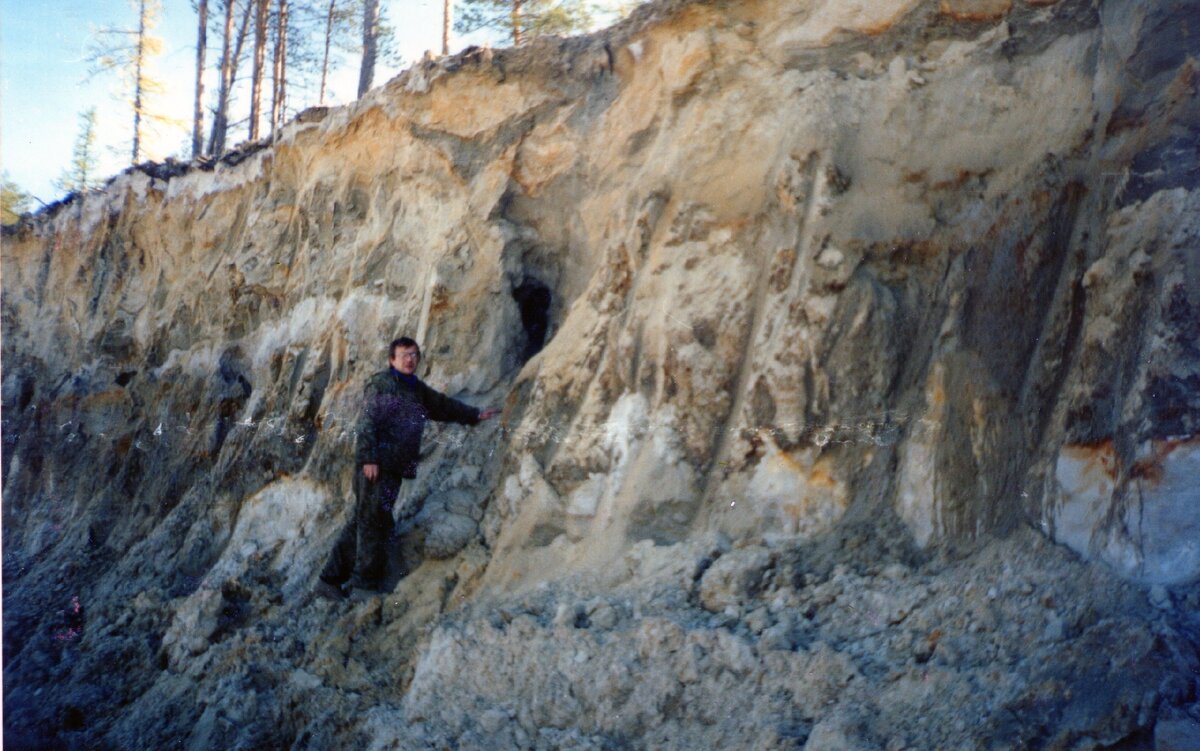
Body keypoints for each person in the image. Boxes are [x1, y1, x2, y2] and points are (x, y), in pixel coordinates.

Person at [317, 337, 498, 599]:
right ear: (392, 359)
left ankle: (329, 581)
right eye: (403, 355)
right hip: (375, 467)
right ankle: (362, 586)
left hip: (393, 468)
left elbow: (443, 406)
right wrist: (369, 458)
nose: (410, 359)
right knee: (371, 522)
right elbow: (367, 421)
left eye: (414, 355)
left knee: (365, 519)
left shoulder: (415, 390)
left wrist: (474, 414)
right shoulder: (383, 384)